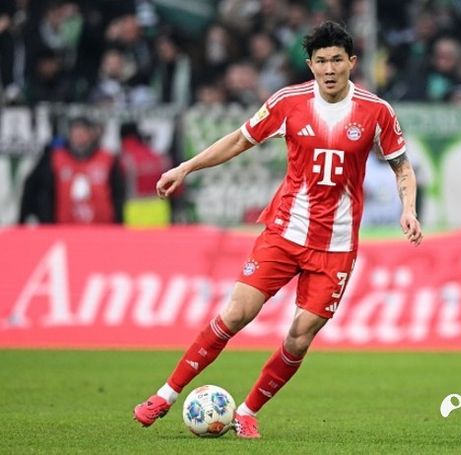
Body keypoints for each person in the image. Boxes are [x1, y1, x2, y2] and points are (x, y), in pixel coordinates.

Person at [133, 20, 423, 439]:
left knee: (300, 338)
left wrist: (408, 209)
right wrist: (186, 167)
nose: (329, 69)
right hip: (285, 232)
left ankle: (247, 411)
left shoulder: (376, 111)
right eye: (320, 61)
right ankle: (165, 394)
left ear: (352, 62)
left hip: (336, 246)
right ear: (310, 65)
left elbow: (402, 167)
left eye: (336, 60)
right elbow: (239, 140)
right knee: (236, 313)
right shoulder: (288, 102)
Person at [19, 116, 125, 224]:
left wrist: (119, 222)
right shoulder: (55, 158)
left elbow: (119, 194)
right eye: (76, 132)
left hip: (102, 227)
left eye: (83, 132)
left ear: (91, 135)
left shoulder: (108, 160)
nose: (79, 137)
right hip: (63, 226)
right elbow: (37, 190)